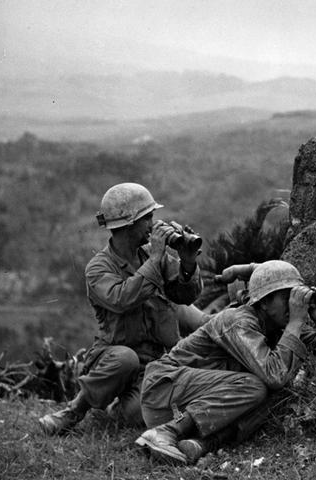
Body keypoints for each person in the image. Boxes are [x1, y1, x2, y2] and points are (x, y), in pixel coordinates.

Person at [38, 182, 206, 435]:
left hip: (153, 363)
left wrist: (188, 262)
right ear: (129, 224)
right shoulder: (98, 268)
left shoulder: (151, 256)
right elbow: (122, 298)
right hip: (113, 359)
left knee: (136, 415)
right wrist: (156, 259)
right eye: (147, 218)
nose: (153, 224)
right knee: (125, 359)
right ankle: (73, 411)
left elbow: (185, 295)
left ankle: (114, 409)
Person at [135, 260, 316, 465]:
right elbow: (274, 375)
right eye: (287, 297)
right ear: (263, 302)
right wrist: (296, 322)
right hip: (163, 391)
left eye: (295, 297)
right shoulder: (237, 321)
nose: (293, 305)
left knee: (280, 395)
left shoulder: (279, 326)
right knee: (254, 386)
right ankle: (166, 431)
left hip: (194, 399)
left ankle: (201, 444)